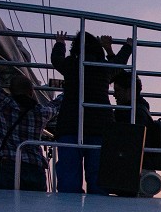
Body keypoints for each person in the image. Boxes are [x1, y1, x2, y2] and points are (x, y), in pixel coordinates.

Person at [0, 27, 61, 191]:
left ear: (11, 90)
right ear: (32, 92)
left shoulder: (4, 103)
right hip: (36, 168)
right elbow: (58, 104)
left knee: (7, 211)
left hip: (10, 165)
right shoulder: (41, 113)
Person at [51, 30, 132, 193]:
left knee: (68, 175)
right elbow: (120, 62)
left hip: (70, 125)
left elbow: (56, 60)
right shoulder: (104, 68)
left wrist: (60, 43)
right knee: (98, 176)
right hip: (100, 127)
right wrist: (127, 46)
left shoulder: (71, 65)